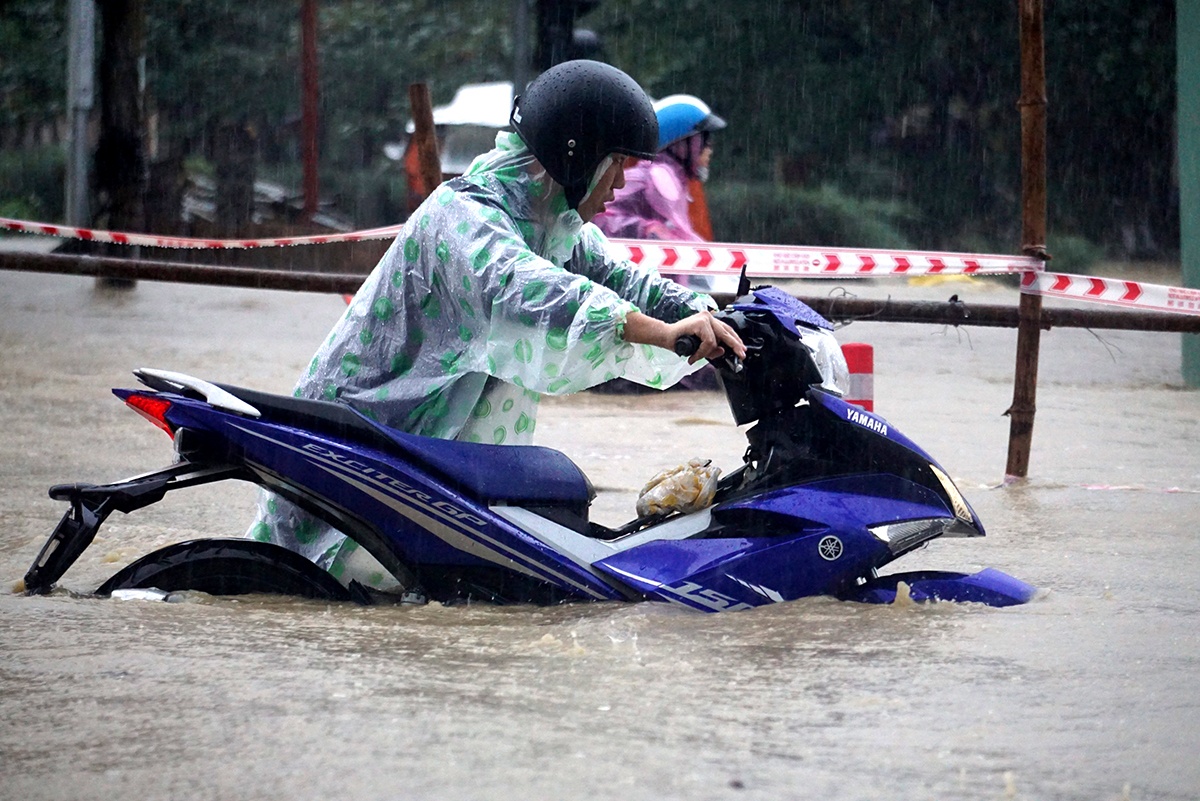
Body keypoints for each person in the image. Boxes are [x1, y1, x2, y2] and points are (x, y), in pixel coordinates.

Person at [245, 60, 745, 591]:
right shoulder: (467, 213)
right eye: (616, 164)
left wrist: (715, 316)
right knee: (308, 593)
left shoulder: (550, 223)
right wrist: (656, 331)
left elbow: (621, 278)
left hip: (438, 453)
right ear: (576, 157)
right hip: (373, 437)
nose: (621, 184)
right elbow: (521, 287)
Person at [592, 93, 728, 293]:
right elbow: (595, 218)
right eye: (704, 141)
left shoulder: (676, 181)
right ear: (682, 143)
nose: (709, 150)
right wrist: (644, 229)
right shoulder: (652, 178)